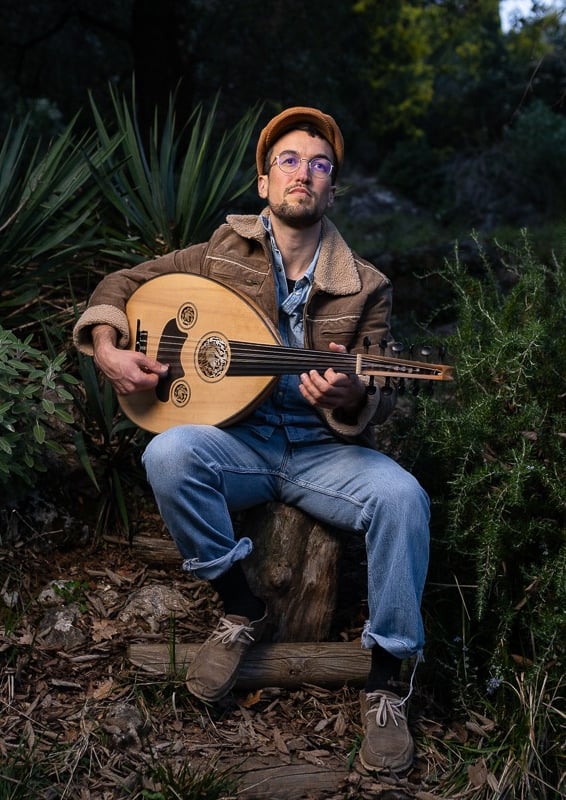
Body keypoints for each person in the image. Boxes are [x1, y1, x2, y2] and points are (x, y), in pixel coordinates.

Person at [73, 106, 430, 773]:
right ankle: (242, 606)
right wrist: (106, 346)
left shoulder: (368, 285)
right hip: (237, 441)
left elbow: (380, 384)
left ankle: (387, 676)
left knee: (404, 498)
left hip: (325, 454)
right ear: (264, 183)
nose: (304, 173)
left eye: (320, 165)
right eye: (289, 161)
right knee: (169, 453)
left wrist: (360, 396)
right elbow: (122, 285)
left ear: (331, 189)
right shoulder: (216, 252)